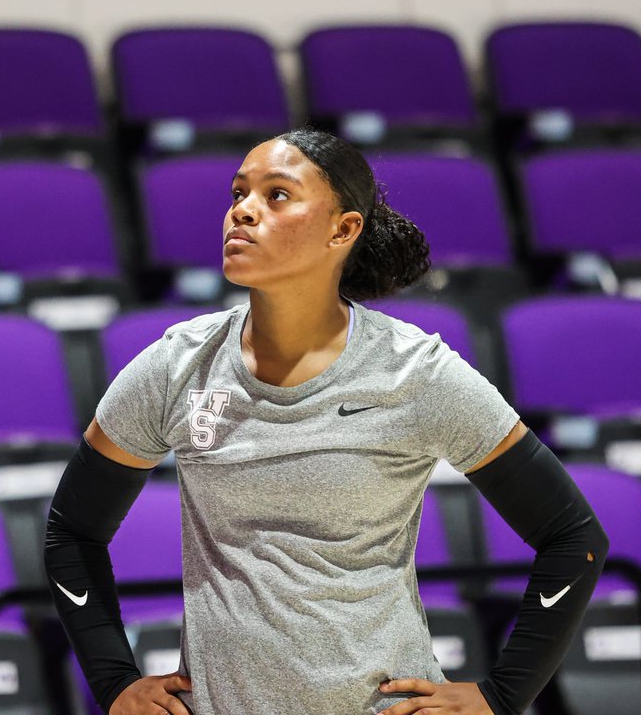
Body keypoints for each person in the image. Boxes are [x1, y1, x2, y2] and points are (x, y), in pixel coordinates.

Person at [45, 128, 608, 715]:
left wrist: (502, 696)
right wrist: (114, 682)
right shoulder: (178, 365)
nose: (242, 210)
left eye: (277, 194)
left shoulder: (416, 372)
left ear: (343, 230)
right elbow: (72, 533)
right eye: (238, 193)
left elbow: (574, 538)